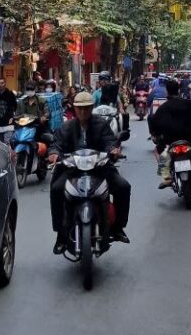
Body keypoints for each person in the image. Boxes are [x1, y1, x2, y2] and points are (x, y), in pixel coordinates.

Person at [48, 91, 131, 252]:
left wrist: (113, 150)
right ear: (74, 109)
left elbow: (110, 142)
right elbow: (56, 145)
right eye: (80, 108)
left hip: (99, 168)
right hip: (72, 169)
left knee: (123, 187)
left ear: (92, 108)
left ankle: (118, 227)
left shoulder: (101, 124)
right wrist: (53, 154)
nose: (83, 112)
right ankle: (60, 233)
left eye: (86, 108)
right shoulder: (67, 126)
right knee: (56, 189)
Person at [148, 79, 191, 186]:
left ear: (167, 91)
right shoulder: (189, 104)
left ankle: (166, 177)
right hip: (189, 139)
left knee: (156, 150)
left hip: (169, 141)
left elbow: (154, 124)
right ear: (179, 90)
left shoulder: (162, 108)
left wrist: (155, 135)